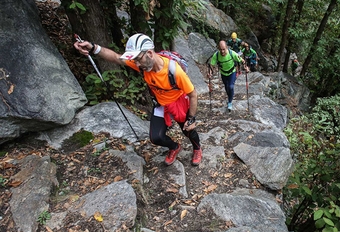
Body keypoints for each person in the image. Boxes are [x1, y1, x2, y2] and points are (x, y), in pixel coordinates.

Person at [74, 33, 202, 166]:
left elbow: (193, 94)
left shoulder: (174, 71)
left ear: (150, 54)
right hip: (160, 103)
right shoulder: (142, 63)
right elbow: (116, 58)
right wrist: (93, 47)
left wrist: (191, 118)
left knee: (188, 129)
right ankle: (174, 147)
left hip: (177, 102)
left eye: (138, 59)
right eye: (134, 60)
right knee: (155, 137)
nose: (136, 64)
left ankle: (197, 149)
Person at [208, 40, 248, 111]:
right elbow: (212, 65)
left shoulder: (232, 53)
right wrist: (210, 73)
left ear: (226, 47)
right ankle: (230, 97)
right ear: (218, 48)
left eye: (224, 49)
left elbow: (241, 60)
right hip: (223, 74)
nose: (222, 51)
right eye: (220, 49)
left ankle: (230, 102)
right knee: (226, 87)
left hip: (232, 72)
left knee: (230, 86)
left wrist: (245, 67)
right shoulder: (216, 55)